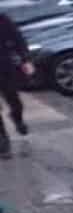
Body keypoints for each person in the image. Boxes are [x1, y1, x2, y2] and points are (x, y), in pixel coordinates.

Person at [0, 12, 34, 157]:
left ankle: (17, 117)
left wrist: (25, 60)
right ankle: (2, 140)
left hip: (4, 66)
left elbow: (18, 39)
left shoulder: (2, 19)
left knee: (14, 100)